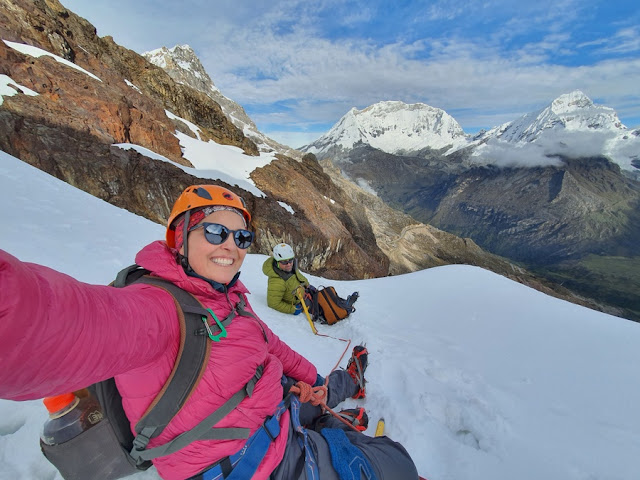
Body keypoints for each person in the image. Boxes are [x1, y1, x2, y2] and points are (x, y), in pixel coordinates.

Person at [0, 185, 418, 480]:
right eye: (215, 231)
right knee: (396, 463)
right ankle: (334, 423)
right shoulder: (154, 309)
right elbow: (41, 322)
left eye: (242, 236)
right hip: (251, 463)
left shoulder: (228, 297)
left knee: (317, 393)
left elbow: (269, 345)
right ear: (179, 237)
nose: (231, 245)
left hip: (271, 414)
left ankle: (338, 395)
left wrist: (313, 379)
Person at [262, 243, 310, 315]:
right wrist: (293, 309)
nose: (289, 264)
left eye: (290, 260)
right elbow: (273, 303)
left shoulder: (290, 268)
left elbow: (298, 277)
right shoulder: (277, 282)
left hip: (306, 294)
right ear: (277, 262)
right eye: (284, 262)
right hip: (299, 301)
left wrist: (307, 285)